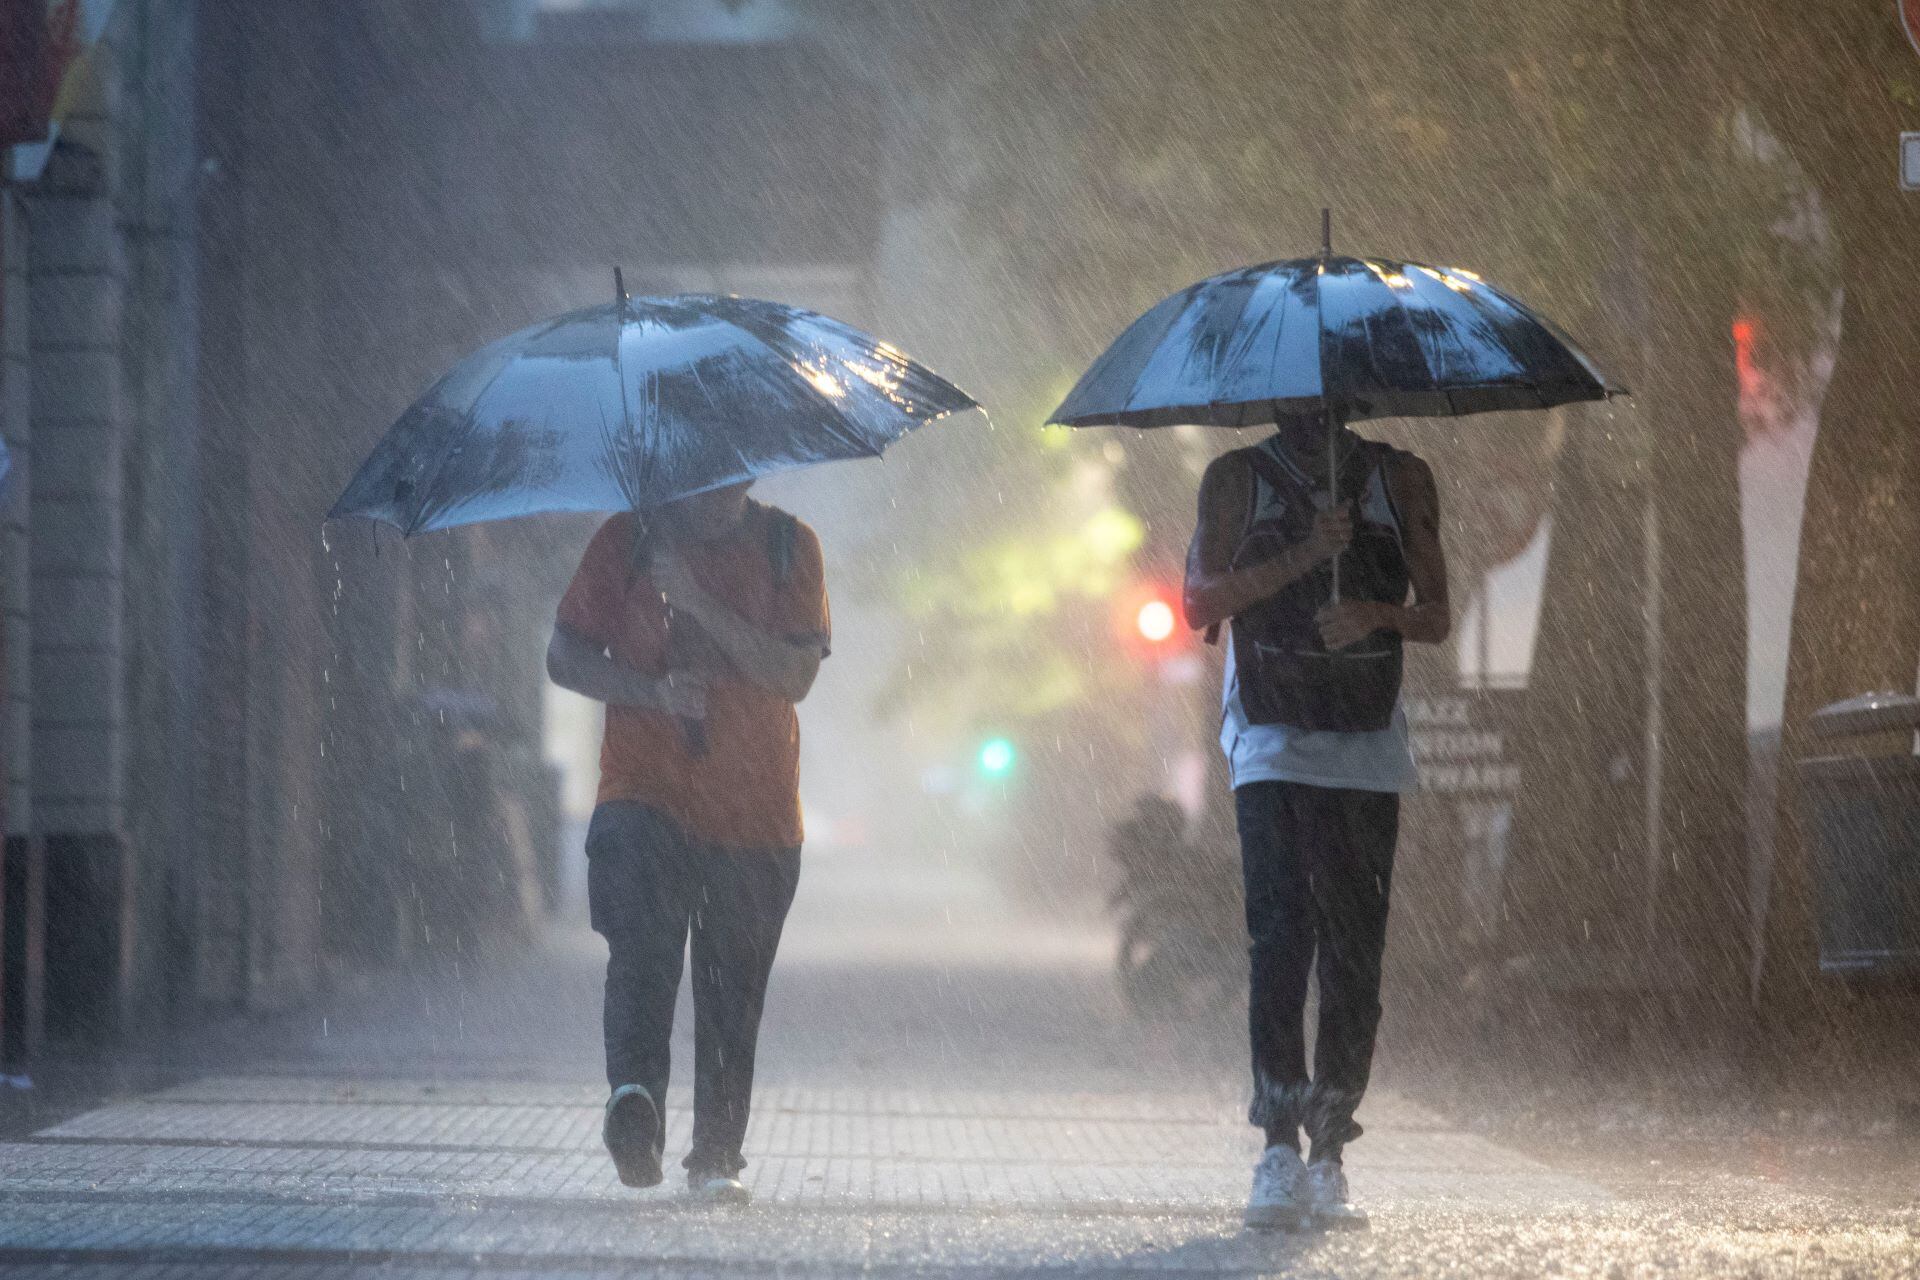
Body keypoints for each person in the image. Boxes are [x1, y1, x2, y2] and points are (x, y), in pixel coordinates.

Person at [1183, 411, 1450, 1231]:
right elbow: (1198, 601)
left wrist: (1373, 612)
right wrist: (1305, 554)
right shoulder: (1236, 478)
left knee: (1354, 947)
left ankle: (1331, 1148)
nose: (1317, 407)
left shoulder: (1399, 477)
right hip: (1270, 740)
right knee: (1279, 936)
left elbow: (1437, 615)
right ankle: (1277, 1144)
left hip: (1365, 748)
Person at [546, 480, 830, 1205]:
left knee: (732, 990)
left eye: (732, 469)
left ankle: (715, 1155)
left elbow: (794, 674)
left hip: (755, 813)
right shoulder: (628, 540)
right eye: (699, 468)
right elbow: (565, 658)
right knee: (641, 947)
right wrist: (651, 691)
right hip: (644, 794)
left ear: (752, 473)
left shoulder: (788, 547)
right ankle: (634, 1102)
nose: (716, 486)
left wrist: (700, 600)